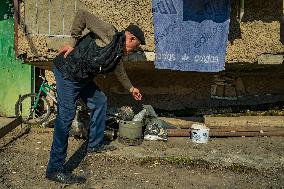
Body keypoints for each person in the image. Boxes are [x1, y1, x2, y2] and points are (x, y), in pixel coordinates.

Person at [45, 9, 145, 184]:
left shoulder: (117, 51)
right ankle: (54, 169)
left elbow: (119, 70)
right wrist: (72, 42)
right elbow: (82, 15)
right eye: (134, 48)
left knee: (100, 101)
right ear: (131, 38)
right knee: (66, 117)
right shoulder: (109, 33)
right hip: (67, 73)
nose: (132, 52)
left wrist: (131, 89)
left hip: (81, 78)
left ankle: (94, 144)